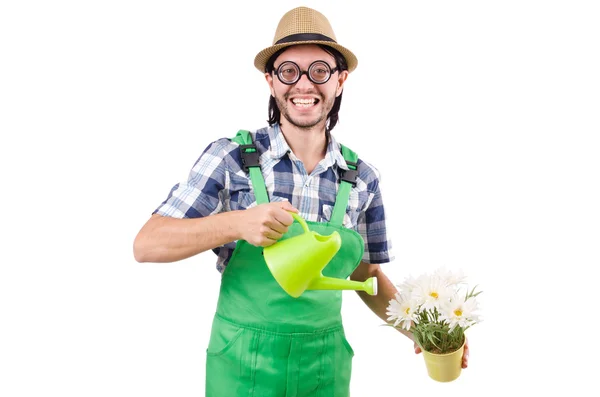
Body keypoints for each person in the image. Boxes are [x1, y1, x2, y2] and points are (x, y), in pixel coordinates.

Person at [133, 6, 469, 396]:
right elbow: (147, 243)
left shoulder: (362, 178)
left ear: (340, 80)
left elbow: (366, 277)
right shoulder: (230, 158)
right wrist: (236, 223)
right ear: (271, 81)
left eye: (320, 71)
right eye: (289, 71)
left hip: (323, 368)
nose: (304, 85)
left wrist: (428, 332)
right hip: (242, 367)